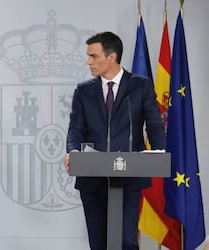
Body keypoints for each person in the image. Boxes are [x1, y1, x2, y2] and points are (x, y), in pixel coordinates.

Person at [63, 32, 165, 250]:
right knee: (98, 242)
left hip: (129, 176)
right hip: (92, 177)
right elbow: (75, 129)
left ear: (112, 57)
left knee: (126, 241)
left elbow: (154, 124)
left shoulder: (140, 86)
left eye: (94, 56)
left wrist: (159, 151)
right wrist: (73, 151)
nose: (88, 61)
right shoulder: (83, 91)